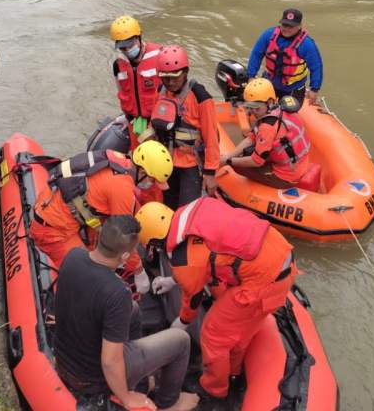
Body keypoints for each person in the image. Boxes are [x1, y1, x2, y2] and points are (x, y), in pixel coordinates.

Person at [136, 197, 295, 403]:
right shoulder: (190, 210)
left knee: (213, 333)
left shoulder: (185, 258)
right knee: (239, 330)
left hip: (262, 280)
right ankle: (234, 371)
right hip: (277, 253)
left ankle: (213, 389)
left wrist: (182, 322)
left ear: (155, 240)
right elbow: (210, 256)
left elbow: (192, 296)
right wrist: (173, 280)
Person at [54, 216, 198, 411]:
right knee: (181, 340)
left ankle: (140, 382)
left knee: (133, 309)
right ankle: (169, 402)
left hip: (66, 358)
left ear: (98, 238)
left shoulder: (73, 256)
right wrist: (125, 396)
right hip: (94, 377)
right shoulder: (116, 293)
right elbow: (110, 361)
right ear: (123, 257)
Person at [29, 141, 173, 289]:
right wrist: (138, 269)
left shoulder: (120, 162)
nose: (152, 185)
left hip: (57, 207)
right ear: (142, 172)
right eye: (153, 180)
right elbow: (123, 239)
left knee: (97, 256)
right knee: (89, 281)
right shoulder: (122, 189)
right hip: (54, 230)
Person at [145, 45, 219, 207]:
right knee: (168, 205)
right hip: (165, 162)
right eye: (165, 77)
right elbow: (154, 122)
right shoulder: (161, 91)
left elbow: (211, 137)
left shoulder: (200, 97)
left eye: (175, 77)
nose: (170, 82)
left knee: (187, 210)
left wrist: (210, 172)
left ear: (185, 72)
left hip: (189, 164)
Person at [220, 78, 310, 188]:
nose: (252, 112)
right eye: (250, 108)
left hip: (287, 176)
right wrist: (229, 155)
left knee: (237, 166)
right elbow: (251, 137)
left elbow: (256, 161)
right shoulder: (280, 109)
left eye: (256, 109)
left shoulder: (267, 127)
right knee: (245, 153)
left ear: (270, 102)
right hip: (299, 164)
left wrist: (229, 161)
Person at [247, 8, 323, 106]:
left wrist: (314, 89)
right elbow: (256, 54)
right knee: (260, 108)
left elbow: (316, 67)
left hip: (293, 88)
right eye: (284, 25)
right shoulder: (268, 35)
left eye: (291, 26)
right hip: (269, 83)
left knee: (287, 113)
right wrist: (251, 76)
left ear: (299, 26)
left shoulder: (307, 44)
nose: (286, 29)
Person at [110, 15, 162, 149]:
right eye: (123, 48)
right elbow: (122, 93)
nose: (127, 51)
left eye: (130, 45)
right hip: (135, 121)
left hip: (159, 121)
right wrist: (128, 117)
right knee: (137, 158)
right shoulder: (118, 65)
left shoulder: (160, 56)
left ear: (139, 37)